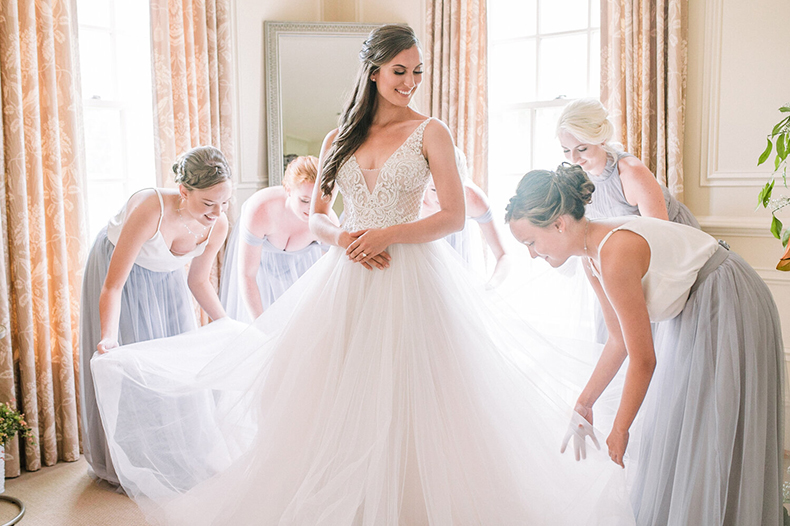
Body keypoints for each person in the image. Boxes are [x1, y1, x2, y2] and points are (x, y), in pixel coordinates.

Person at [90, 25, 635, 525]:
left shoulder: (432, 132)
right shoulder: (337, 140)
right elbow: (318, 216)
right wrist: (346, 239)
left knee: (419, 389)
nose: (411, 81)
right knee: (334, 391)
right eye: (400, 70)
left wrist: (388, 234)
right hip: (347, 272)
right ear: (373, 71)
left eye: (417, 71)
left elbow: (450, 214)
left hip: (413, 272)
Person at [506, 163, 784, 526]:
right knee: (694, 423)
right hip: (695, 306)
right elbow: (619, 340)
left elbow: (643, 359)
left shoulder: (614, 253)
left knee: (714, 418)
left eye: (530, 242)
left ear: (559, 223)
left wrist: (620, 430)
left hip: (727, 298)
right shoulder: (592, 261)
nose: (531, 254)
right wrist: (584, 403)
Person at [80, 145, 233, 484]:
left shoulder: (217, 224)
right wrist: (108, 335)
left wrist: (227, 324)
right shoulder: (152, 208)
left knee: (180, 368)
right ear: (183, 191)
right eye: (208, 203)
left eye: (224, 202)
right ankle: (128, 462)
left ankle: (174, 451)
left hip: (168, 279)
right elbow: (112, 286)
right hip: (122, 274)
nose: (217, 212)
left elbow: (198, 280)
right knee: (133, 365)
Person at [219, 155, 331, 323]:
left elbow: (329, 278)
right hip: (258, 271)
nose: (311, 208)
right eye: (304, 200)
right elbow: (247, 274)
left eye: (317, 200)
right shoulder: (261, 209)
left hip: (300, 275)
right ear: (288, 190)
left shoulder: (326, 220)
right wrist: (261, 325)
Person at [556, 98, 699, 228]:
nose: (573, 159)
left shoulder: (631, 173)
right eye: (566, 150)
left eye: (582, 149)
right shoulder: (578, 179)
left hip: (677, 243)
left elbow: (659, 236)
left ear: (601, 139)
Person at [421, 147, 511, 288]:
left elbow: (503, 256)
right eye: (434, 189)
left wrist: (491, 285)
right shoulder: (414, 204)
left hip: (461, 269)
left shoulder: (473, 199)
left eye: (450, 189)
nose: (441, 198)